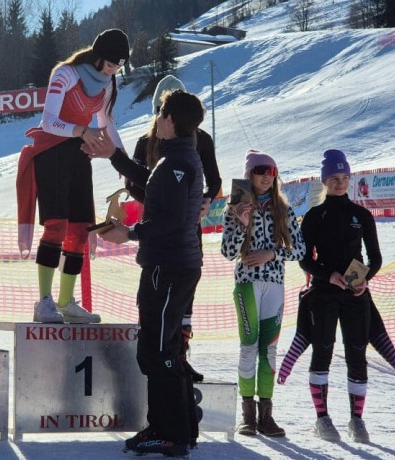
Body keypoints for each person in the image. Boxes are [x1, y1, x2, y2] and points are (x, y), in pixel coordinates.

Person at [93, 89, 205, 458]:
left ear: (170, 120)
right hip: (172, 266)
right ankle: (178, 430)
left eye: (160, 114)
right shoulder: (177, 158)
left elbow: (169, 220)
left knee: (158, 352)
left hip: (168, 268)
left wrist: (130, 233)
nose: (156, 119)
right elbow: (149, 183)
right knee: (164, 349)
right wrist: (115, 156)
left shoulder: (175, 163)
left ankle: (170, 433)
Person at [16, 29, 130, 324]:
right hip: (52, 152)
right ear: (98, 56)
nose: (112, 71)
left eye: (118, 67)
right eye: (110, 64)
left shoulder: (107, 85)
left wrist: (123, 162)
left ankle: (66, 302)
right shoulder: (66, 74)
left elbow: (106, 124)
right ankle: (44, 301)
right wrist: (81, 130)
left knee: (80, 231)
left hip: (80, 154)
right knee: (56, 227)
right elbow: (48, 121)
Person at [127, 75, 222, 383]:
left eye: (162, 113)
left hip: (183, 230)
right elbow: (133, 182)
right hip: (159, 231)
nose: (159, 121)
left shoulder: (200, 139)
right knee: (157, 303)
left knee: (182, 298)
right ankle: (165, 362)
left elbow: (215, 180)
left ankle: (179, 355)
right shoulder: (145, 141)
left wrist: (203, 202)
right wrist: (158, 203)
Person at [298, 149, 382, 443]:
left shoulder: (362, 215)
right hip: (323, 294)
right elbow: (305, 260)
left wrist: (365, 280)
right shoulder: (313, 216)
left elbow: (376, 258)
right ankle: (322, 419)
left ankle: (357, 421)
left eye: (344, 177)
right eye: (334, 178)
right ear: (324, 181)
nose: (340, 183)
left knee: (357, 354)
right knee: (323, 351)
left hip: (355, 295)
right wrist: (327, 275)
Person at [220, 149, 306, 437]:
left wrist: (273, 252)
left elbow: (301, 249)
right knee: (248, 346)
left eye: (271, 172)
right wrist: (243, 224)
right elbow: (227, 252)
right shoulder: (234, 208)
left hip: (275, 286)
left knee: (269, 349)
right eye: (260, 171)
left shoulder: (284, 209)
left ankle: (266, 415)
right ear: (249, 175)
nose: (266, 177)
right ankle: (247, 415)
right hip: (247, 284)